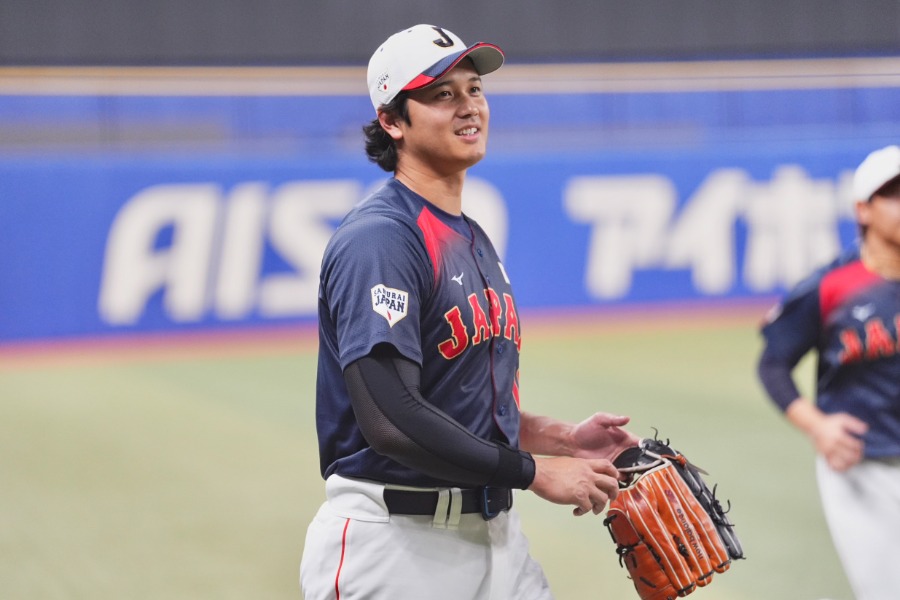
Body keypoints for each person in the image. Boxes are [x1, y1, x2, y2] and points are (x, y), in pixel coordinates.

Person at [299, 24, 639, 600]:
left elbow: (459, 402)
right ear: (392, 120)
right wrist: (534, 473)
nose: (468, 107)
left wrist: (560, 438)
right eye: (441, 94)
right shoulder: (382, 238)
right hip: (398, 546)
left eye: (474, 89)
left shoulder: (470, 235)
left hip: (496, 539)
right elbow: (391, 419)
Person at [757, 145, 900, 600]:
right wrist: (816, 425)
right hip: (863, 468)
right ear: (863, 210)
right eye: (893, 195)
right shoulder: (832, 286)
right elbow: (773, 362)